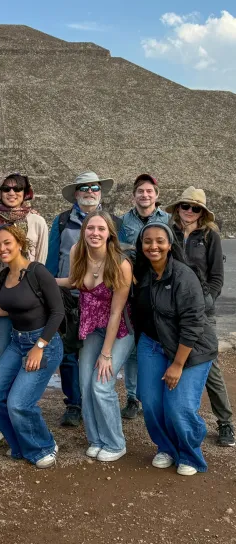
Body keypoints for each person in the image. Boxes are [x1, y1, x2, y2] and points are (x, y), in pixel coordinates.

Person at [134, 222, 218, 475]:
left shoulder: (183, 276)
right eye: (147, 241)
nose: (153, 246)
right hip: (152, 343)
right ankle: (167, 447)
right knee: (149, 402)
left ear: (170, 245)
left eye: (160, 240)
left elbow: (193, 324)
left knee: (178, 406)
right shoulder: (142, 274)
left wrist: (177, 365)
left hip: (190, 348)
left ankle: (190, 454)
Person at [0, 225, 64, 469]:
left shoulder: (37, 272)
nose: (2, 248)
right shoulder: (2, 276)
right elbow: (2, 309)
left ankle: (44, 445)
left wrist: (39, 346)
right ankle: (20, 444)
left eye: (7, 242)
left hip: (43, 343)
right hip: (17, 342)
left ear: (19, 243)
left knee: (19, 403)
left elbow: (57, 312)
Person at [57, 211, 134, 462]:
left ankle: (115, 442)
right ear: (84, 231)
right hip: (91, 327)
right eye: (91, 228)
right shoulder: (77, 252)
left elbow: (116, 312)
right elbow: (75, 281)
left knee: (102, 385)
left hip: (119, 330)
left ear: (110, 233)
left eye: (101, 229)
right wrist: (42, 279)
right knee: (85, 384)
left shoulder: (121, 264)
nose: (95, 233)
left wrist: (106, 354)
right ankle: (97, 439)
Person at [0, 172, 49, 447]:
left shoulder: (37, 221)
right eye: (6, 188)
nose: (11, 192)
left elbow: (40, 261)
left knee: (26, 359)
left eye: (17, 188)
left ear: (26, 191)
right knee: (0, 359)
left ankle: (19, 413)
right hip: (0, 297)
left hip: (29, 300)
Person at [46, 171, 119, 429]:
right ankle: (74, 404)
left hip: (100, 298)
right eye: (84, 187)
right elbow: (53, 258)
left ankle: (95, 400)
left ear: (100, 192)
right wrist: (48, 289)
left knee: (96, 350)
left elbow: (121, 257)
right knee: (68, 353)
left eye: (94, 187)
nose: (90, 191)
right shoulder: (63, 221)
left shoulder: (113, 222)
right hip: (68, 294)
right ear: (76, 194)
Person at [166, 187, 234, 447]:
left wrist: (205, 302)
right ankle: (177, 419)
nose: (190, 212)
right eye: (186, 206)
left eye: (196, 208)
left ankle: (225, 421)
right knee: (172, 359)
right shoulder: (168, 232)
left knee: (210, 363)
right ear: (179, 207)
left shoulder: (209, 236)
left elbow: (217, 276)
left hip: (201, 310)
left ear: (202, 212)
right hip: (172, 308)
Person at [118, 174, 169, 420]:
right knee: (133, 348)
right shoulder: (124, 221)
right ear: (134, 195)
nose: (145, 195)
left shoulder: (168, 219)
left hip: (161, 287)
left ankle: (159, 392)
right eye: (140, 191)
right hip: (134, 289)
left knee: (161, 341)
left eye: (149, 191)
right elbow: (118, 250)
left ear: (156, 195)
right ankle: (132, 397)